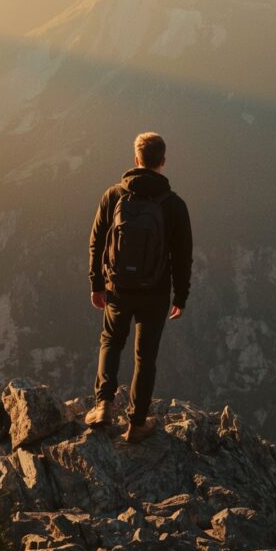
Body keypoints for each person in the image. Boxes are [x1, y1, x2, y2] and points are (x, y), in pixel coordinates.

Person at [86, 132, 193, 443]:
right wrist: (181, 296)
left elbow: (96, 242)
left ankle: (103, 405)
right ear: (162, 161)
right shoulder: (174, 205)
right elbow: (183, 255)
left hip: (117, 288)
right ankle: (137, 423)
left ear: (136, 160)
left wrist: (96, 283)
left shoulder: (113, 196)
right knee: (145, 356)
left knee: (111, 341)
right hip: (156, 292)